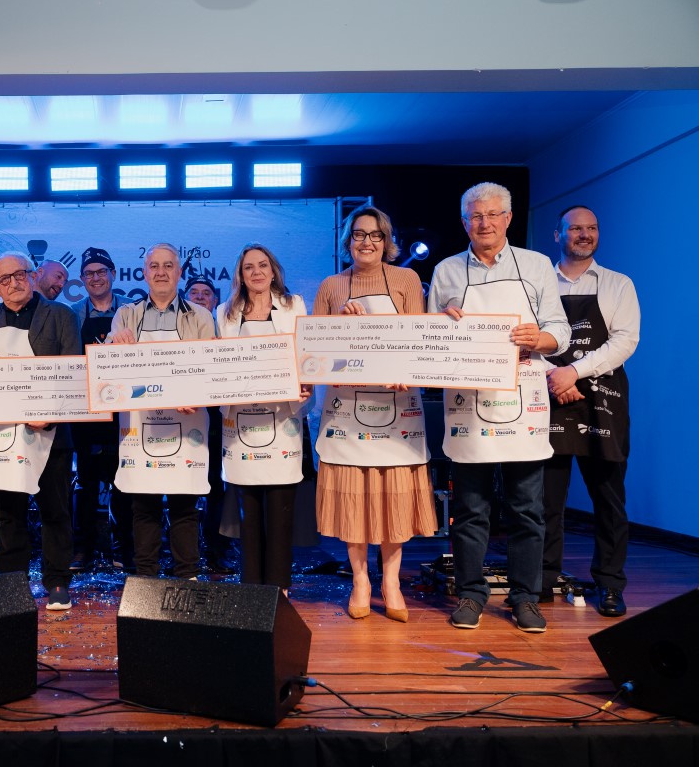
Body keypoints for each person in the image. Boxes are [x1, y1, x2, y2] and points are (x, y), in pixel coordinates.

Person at [428, 182, 570, 633]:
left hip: (522, 402)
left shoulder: (537, 264)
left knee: (527, 508)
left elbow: (560, 330)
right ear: (464, 222)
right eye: (475, 215)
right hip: (468, 406)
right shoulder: (447, 270)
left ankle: (526, 597)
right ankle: (471, 593)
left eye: (492, 214)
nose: (484, 223)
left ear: (508, 218)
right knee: (471, 509)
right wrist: (442, 324)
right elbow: (431, 340)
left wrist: (539, 338)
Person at [312, 209, 437, 621]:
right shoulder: (331, 286)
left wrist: (407, 370)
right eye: (359, 235)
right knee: (355, 496)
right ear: (347, 241)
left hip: (398, 408)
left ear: (387, 241)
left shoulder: (406, 280)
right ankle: (361, 580)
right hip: (347, 412)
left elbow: (417, 338)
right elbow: (316, 349)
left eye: (375, 235)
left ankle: (392, 581)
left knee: (392, 496)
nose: (366, 242)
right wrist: (339, 324)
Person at [0, 252, 80, 609]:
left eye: (20, 274)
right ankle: (12, 585)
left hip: (50, 433)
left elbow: (73, 372)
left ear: (33, 276)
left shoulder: (61, 315)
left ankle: (57, 582)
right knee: (9, 514)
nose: (13, 283)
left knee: (55, 512)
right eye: (4, 279)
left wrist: (51, 415)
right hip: (1, 436)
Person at [542, 206, 639, 617]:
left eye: (592, 228)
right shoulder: (539, 282)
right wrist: (554, 377)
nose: (585, 234)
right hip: (548, 398)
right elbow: (527, 338)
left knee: (609, 500)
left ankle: (611, 585)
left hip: (603, 402)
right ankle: (541, 582)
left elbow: (625, 341)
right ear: (557, 234)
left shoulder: (618, 283)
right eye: (575, 228)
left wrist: (573, 373)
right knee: (545, 501)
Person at [110, 243, 216, 580]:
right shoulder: (125, 315)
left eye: (168, 266)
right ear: (144, 273)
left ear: (179, 272)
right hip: (140, 425)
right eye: (154, 266)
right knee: (144, 506)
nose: (160, 272)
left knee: (185, 505)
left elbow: (210, 368)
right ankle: (146, 580)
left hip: (188, 421)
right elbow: (108, 371)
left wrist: (196, 395)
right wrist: (115, 344)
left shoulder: (200, 316)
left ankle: (188, 576)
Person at [216, 244, 309, 594]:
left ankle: (279, 588)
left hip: (282, 422)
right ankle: (252, 587)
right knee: (248, 511)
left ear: (273, 271)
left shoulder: (293, 305)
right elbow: (219, 364)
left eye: (262, 265)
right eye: (248, 267)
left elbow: (305, 356)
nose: (256, 272)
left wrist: (306, 384)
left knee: (281, 509)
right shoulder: (225, 313)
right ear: (240, 276)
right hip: (241, 424)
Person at [68, 248, 129, 571]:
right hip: (86, 410)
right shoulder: (72, 314)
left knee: (125, 480)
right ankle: (83, 549)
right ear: (82, 279)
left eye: (101, 271)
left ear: (113, 274)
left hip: (124, 411)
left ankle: (123, 548)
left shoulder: (130, 311)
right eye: (89, 273)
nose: (95, 278)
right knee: (86, 482)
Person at [183, 274, 236, 575]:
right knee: (184, 487)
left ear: (215, 301)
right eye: (194, 292)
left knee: (217, 487)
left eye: (206, 293)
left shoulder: (226, 330)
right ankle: (184, 551)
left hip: (217, 418)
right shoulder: (176, 328)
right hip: (181, 419)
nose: (201, 297)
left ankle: (218, 551)